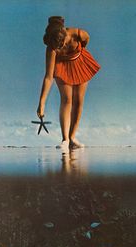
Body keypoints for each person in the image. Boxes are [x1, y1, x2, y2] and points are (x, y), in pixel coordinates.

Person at [37, 16, 101, 153]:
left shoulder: (78, 34)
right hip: (62, 66)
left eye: (62, 44)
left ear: (65, 34)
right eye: (56, 47)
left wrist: (77, 52)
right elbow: (48, 77)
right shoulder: (51, 48)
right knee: (66, 100)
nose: (61, 47)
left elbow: (86, 41)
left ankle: (72, 137)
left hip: (79, 61)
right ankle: (65, 139)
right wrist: (41, 103)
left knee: (79, 101)